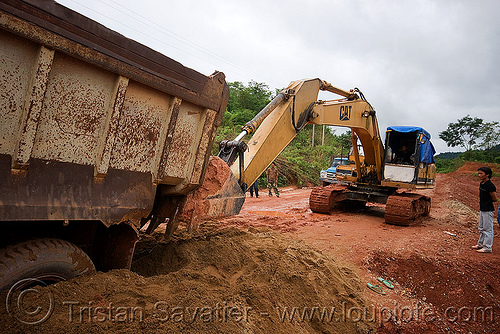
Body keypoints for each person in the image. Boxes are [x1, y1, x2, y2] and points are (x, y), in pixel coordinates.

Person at [472, 166, 498, 253]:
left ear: (487, 175)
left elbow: (494, 198)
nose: (479, 175)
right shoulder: (482, 183)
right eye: (478, 173)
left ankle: (487, 247)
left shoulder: (490, 185)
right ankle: (480, 244)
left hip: (488, 209)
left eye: (481, 173)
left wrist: (486, 202)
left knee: (487, 229)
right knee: (481, 227)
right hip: (483, 208)